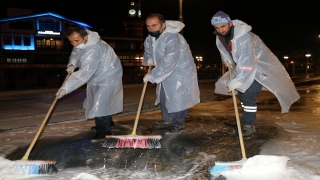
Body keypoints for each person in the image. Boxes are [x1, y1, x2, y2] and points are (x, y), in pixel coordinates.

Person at [211, 11, 300, 137]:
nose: (220, 30)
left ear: (230, 23)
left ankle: (249, 126)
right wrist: (227, 60)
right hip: (243, 69)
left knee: (248, 94)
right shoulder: (221, 37)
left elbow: (248, 61)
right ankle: (248, 123)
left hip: (256, 69)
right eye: (217, 28)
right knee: (243, 96)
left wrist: (239, 79)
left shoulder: (243, 37)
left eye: (223, 26)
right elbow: (226, 52)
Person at [56, 26, 123, 141]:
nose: (74, 44)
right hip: (97, 74)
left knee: (99, 102)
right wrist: (72, 64)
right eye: (71, 41)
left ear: (85, 37)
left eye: (76, 41)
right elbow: (75, 52)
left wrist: (66, 87)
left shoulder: (94, 48)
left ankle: (104, 131)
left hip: (108, 75)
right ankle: (108, 123)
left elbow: (85, 72)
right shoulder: (83, 41)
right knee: (102, 100)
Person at [142, 13, 200, 133]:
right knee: (164, 96)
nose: (150, 28)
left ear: (163, 25)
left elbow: (171, 61)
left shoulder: (173, 37)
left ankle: (178, 123)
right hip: (163, 72)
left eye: (154, 25)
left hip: (179, 73)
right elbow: (148, 49)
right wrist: (149, 58)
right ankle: (167, 120)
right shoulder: (150, 38)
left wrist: (153, 74)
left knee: (177, 97)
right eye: (148, 26)